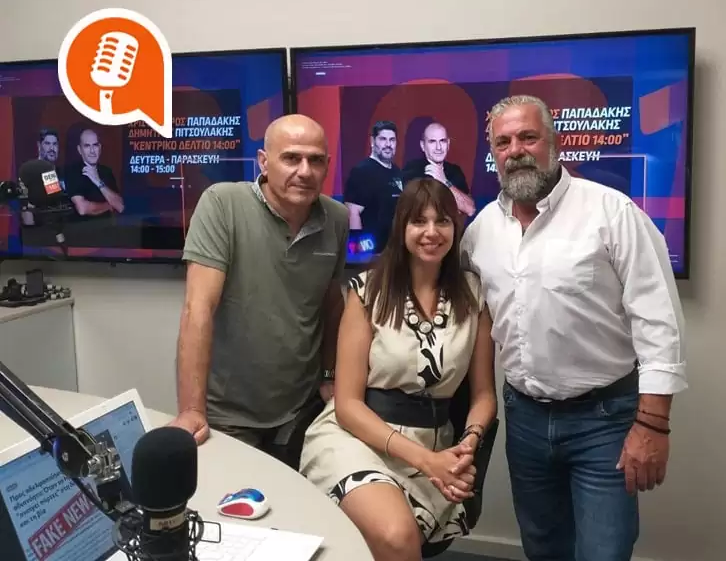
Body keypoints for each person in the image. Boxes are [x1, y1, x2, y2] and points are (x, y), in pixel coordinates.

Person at [460, 95, 687, 561]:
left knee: (604, 551)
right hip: (524, 417)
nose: (516, 150)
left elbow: (659, 321)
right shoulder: (482, 229)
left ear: (554, 142)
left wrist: (653, 424)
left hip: (604, 421)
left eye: (528, 137)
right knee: (542, 547)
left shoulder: (611, 212)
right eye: (503, 142)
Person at [300, 178, 497, 561]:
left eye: (442, 221)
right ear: (401, 227)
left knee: (382, 544)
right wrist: (427, 462)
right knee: (396, 535)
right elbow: (347, 406)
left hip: (436, 446)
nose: (431, 232)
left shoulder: (474, 295)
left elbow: (484, 395)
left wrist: (467, 445)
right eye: (418, 221)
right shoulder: (367, 291)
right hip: (358, 439)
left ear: (455, 228)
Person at [170, 114, 349, 470]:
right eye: (291, 158)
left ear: (328, 166)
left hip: (301, 409)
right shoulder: (223, 203)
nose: (304, 171)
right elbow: (198, 308)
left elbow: (331, 305)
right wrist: (191, 409)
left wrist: (330, 376)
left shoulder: (337, 218)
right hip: (229, 414)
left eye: (315, 160)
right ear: (264, 162)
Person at [343, 120, 404, 253]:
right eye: (383, 139)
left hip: (393, 251)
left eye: (392, 140)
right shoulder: (362, 171)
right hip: (371, 252)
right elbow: (352, 213)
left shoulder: (397, 171)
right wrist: (359, 253)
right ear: (372, 141)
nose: (388, 144)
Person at [402, 122, 475, 217]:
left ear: (448, 144)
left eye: (442, 141)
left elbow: (470, 209)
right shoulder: (412, 170)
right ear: (423, 146)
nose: (438, 147)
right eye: (432, 141)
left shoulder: (454, 171)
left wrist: (444, 180)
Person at [65, 128, 125, 217]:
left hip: (107, 225)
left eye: (95, 145)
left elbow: (120, 206)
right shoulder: (72, 172)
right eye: (87, 146)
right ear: (79, 150)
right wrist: (109, 205)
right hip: (83, 225)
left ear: (100, 148)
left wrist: (98, 181)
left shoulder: (106, 172)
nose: (92, 151)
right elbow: (82, 209)